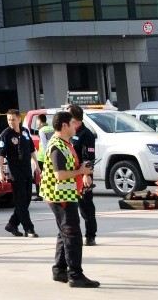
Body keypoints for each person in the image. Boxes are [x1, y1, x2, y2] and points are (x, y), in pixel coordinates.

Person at [40, 111, 99, 288]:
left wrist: (81, 169)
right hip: (60, 196)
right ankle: (75, 275)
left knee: (64, 232)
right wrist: (81, 171)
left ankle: (59, 270)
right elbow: (60, 175)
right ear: (64, 126)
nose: (75, 127)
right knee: (72, 234)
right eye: (73, 123)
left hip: (64, 194)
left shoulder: (66, 143)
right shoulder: (57, 145)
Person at [0, 108, 38, 237]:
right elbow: (1, 155)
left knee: (27, 200)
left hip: (26, 170)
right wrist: (1, 172)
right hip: (15, 172)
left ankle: (12, 224)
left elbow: (31, 150)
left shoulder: (25, 132)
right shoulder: (6, 135)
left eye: (13, 119)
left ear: (19, 119)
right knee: (20, 200)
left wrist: (37, 165)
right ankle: (29, 228)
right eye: (9, 119)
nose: (11, 122)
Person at [68, 105, 97, 246]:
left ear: (76, 119)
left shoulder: (86, 135)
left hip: (83, 175)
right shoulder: (68, 132)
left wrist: (87, 174)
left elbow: (89, 157)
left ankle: (90, 235)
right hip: (70, 175)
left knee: (86, 207)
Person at [34, 114, 54, 201]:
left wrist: (46, 155)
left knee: (38, 174)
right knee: (49, 175)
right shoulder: (51, 128)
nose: (36, 123)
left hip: (42, 157)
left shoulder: (41, 130)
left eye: (37, 121)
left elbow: (44, 143)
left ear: (39, 121)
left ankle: (39, 195)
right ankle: (50, 192)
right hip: (52, 155)